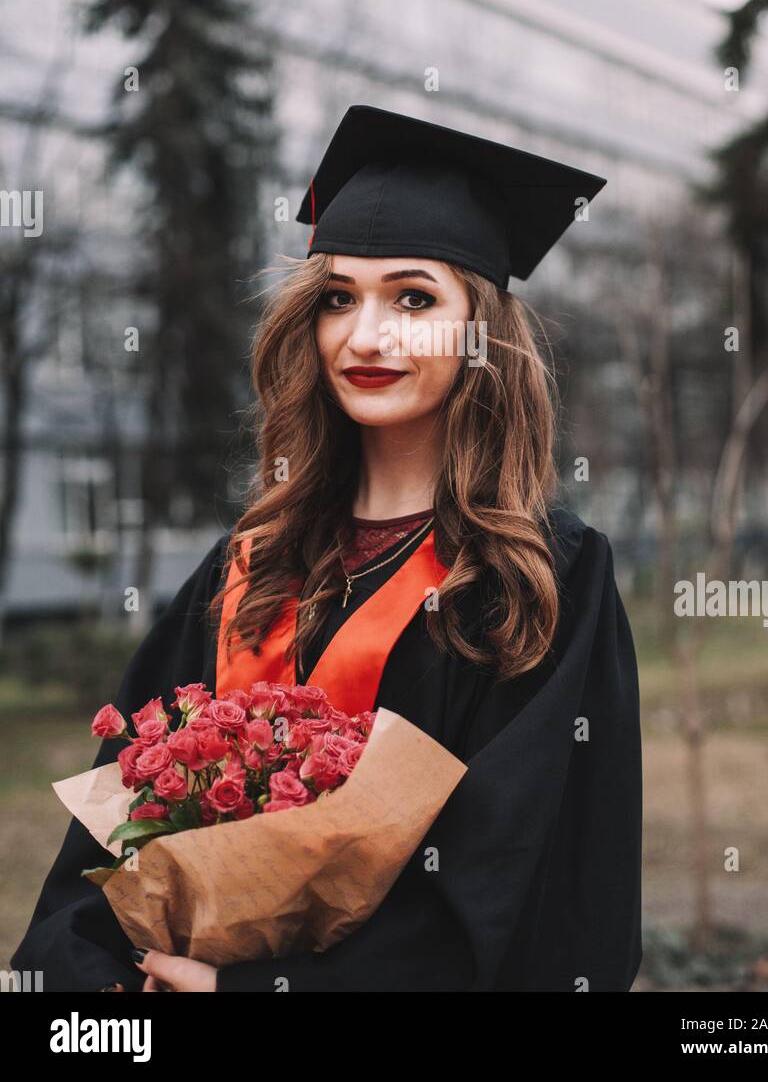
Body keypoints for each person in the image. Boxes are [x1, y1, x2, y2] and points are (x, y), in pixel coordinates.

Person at [11, 104, 642, 993]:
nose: (365, 334)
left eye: (414, 298)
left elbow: (525, 890)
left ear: (478, 332)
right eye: (339, 297)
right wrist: (95, 983)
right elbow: (112, 828)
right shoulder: (251, 560)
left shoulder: (539, 581)